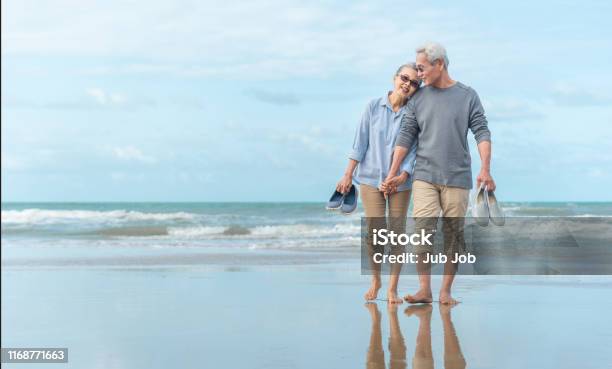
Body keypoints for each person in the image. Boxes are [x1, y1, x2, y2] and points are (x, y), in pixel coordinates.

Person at [382, 42, 495, 305]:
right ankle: (425, 289)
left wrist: (486, 169)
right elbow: (406, 134)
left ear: (439, 64)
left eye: (422, 68)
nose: (418, 74)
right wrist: (393, 171)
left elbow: (481, 131)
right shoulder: (418, 98)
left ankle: (445, 292)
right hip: (424, 175)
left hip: (458, 177)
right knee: (423, 232)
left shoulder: (468, 95)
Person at [336, 63, 420, 304]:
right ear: (395, 78)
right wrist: (347, 174)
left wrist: (403, 175)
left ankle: (392, 288)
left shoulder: (413, 114)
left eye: (414, 83)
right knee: (375, 234)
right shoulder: (373, 106)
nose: (408, 84)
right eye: (405, 78)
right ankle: (376, 280)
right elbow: (359, 143)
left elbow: (414, 151)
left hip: (400, 183)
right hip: (371, 180)